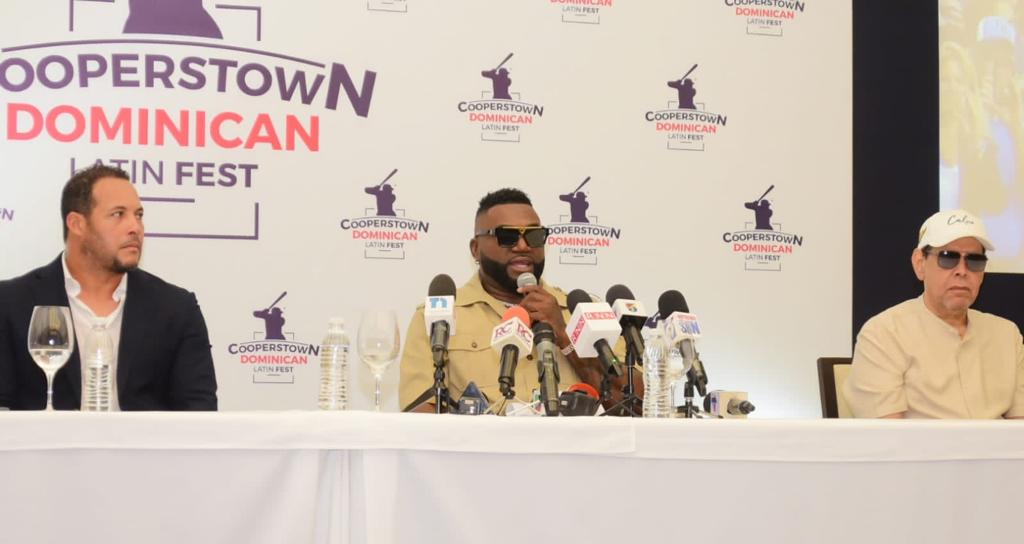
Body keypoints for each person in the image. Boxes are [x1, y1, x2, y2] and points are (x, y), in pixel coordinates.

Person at [0, 164, 218, 410]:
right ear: (77, 224)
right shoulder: (11, 303)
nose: (135, 227)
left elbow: (200, 412)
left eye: (138, 215)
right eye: (118, 214)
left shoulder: (176, 309)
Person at [398, 188, 634, 414]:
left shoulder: (584, 312)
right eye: (507, 236)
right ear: (475, 249)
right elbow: (420, 414)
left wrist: (564, 335)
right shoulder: (438, 317)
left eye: (534, 236)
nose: (523, 246)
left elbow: (633, 404)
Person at [843, 209, 1024, 418]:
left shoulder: (1007, 335)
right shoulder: (883, 334)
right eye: (948, 258)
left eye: (974, 261)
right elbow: (888, 435)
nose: (962, 271)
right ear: (920, 263)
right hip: (916, 442)